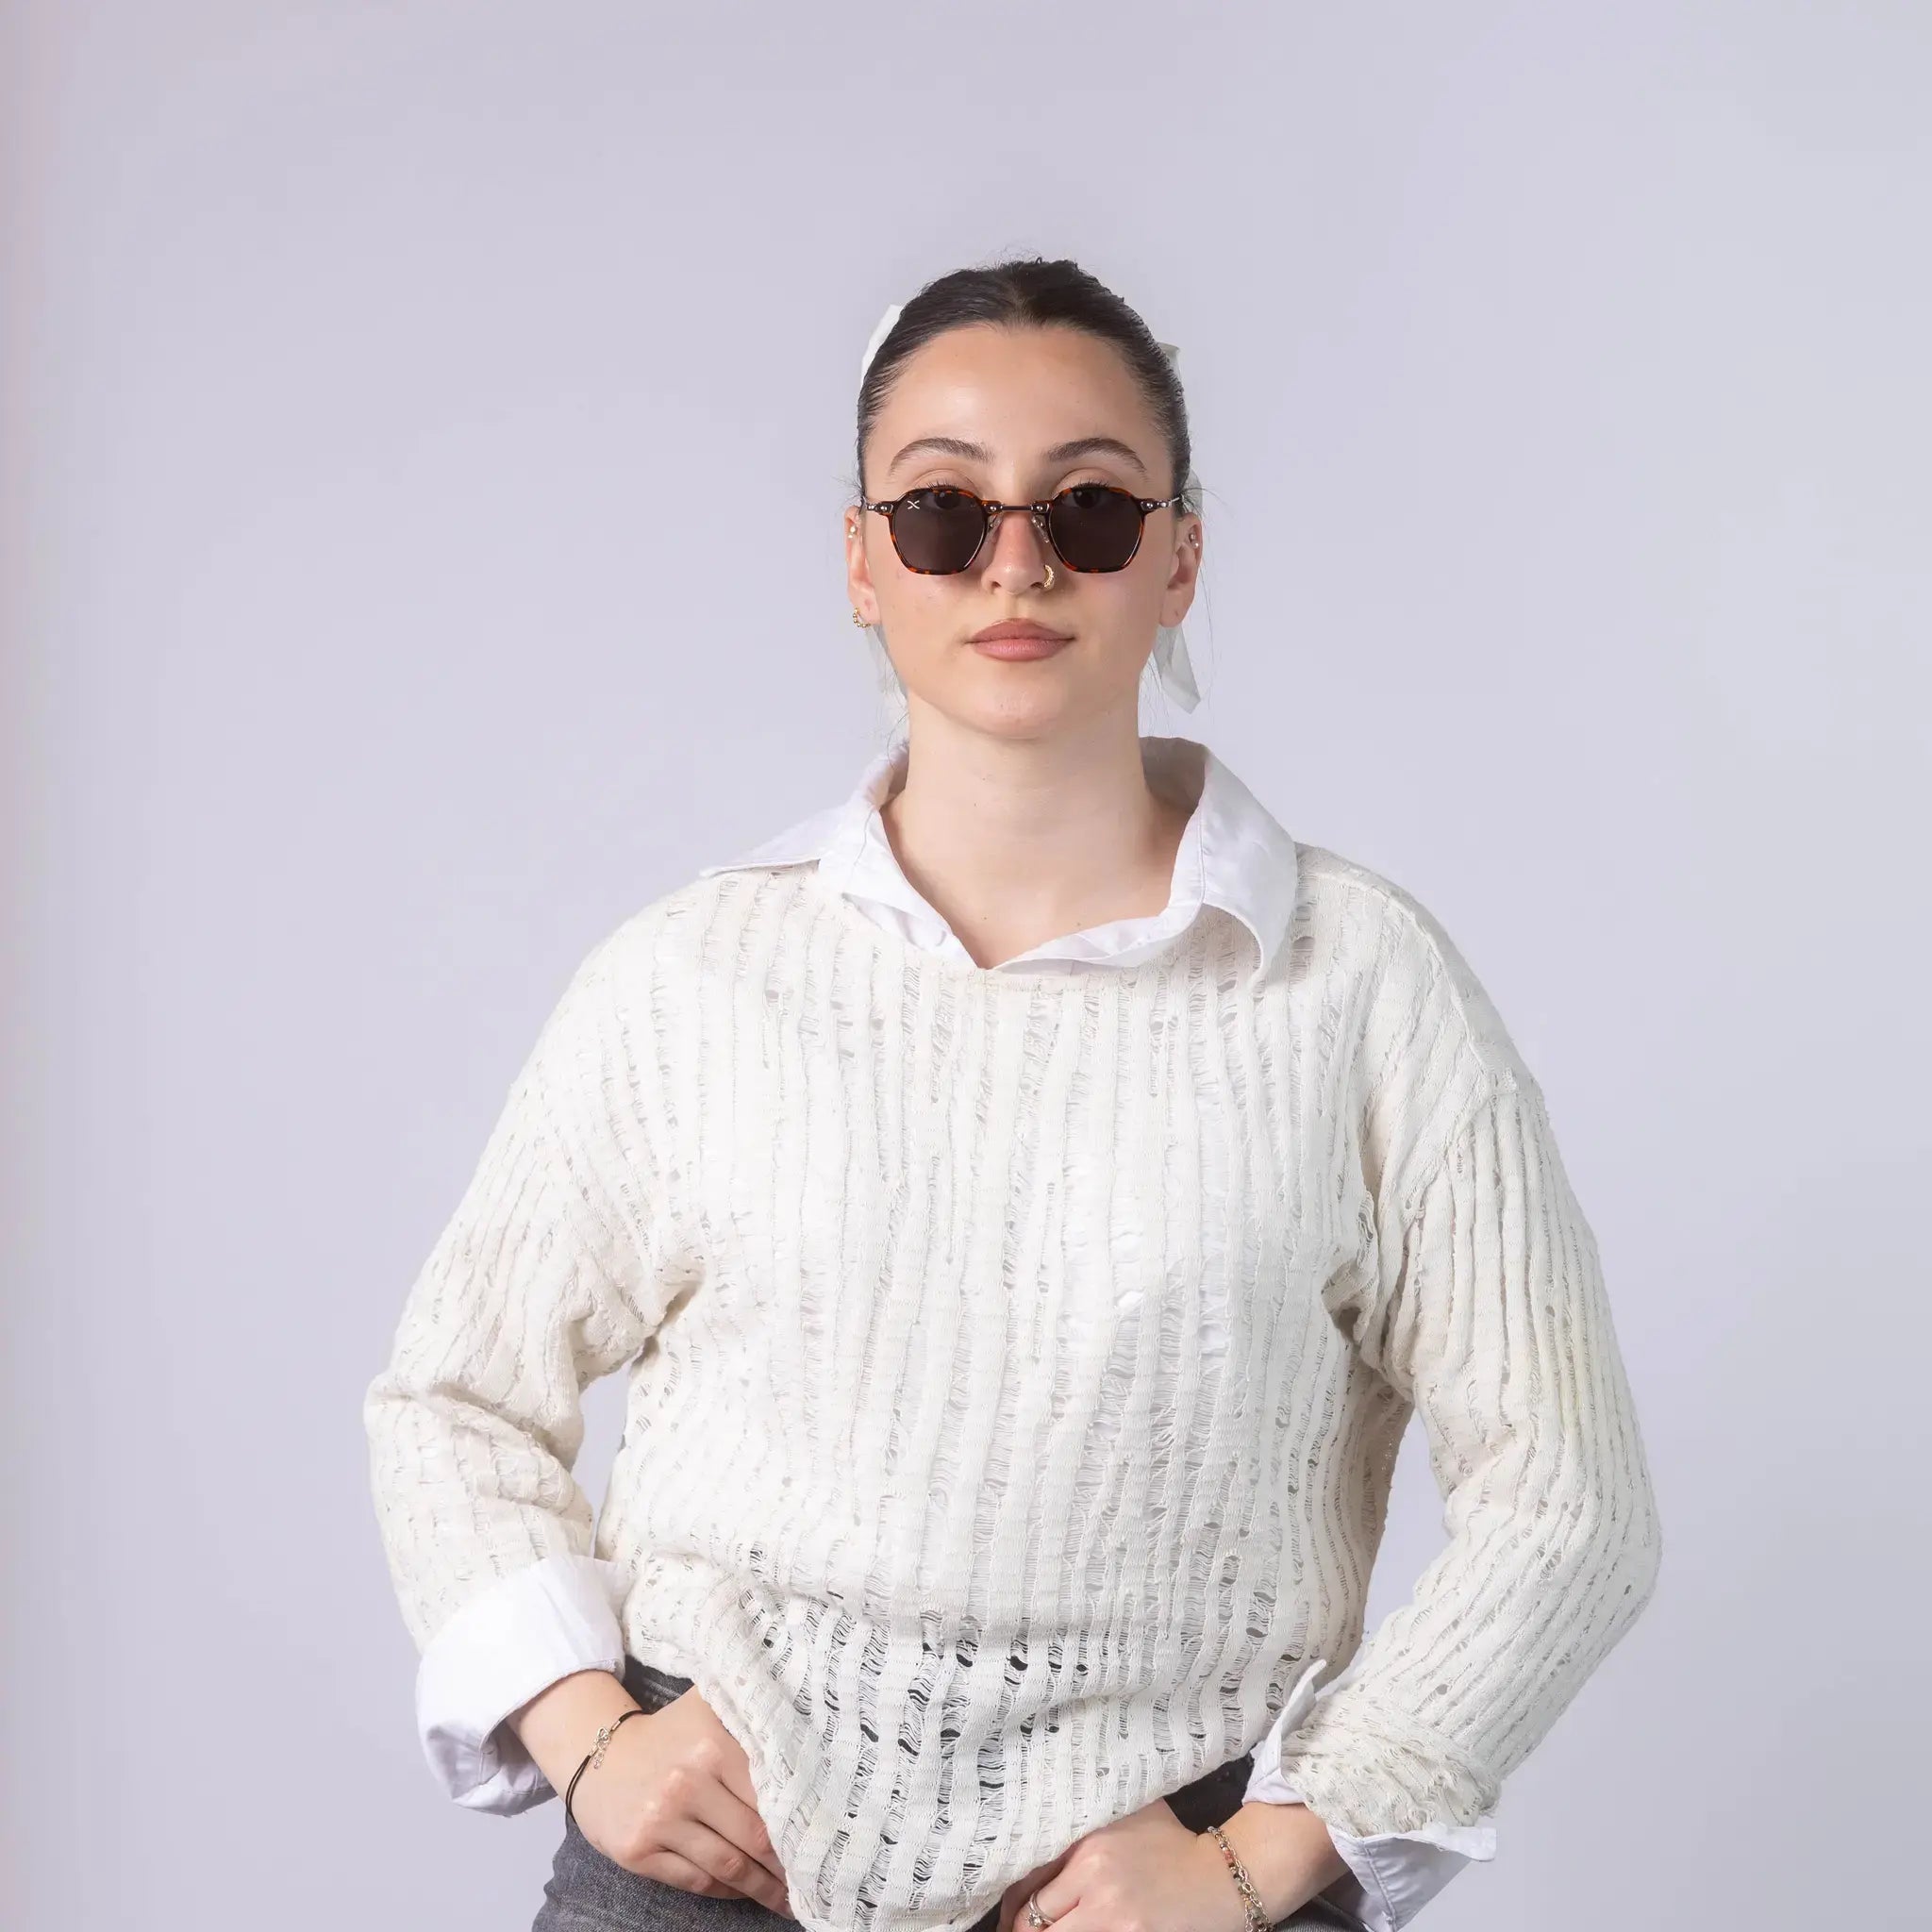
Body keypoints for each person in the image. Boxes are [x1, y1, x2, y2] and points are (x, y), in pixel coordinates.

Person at [362, 258, 1663, 1932]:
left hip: (1173, 1881)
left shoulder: (1361, 986)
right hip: (712, 1870)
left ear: (1182, 553)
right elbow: (453, 1402)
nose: (1019, 561)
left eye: (1092, 509)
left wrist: (1263, 1861)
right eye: (943, 513)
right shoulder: (689, 980)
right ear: (859, 561)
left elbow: (1569, 1497)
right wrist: (591, 1734)